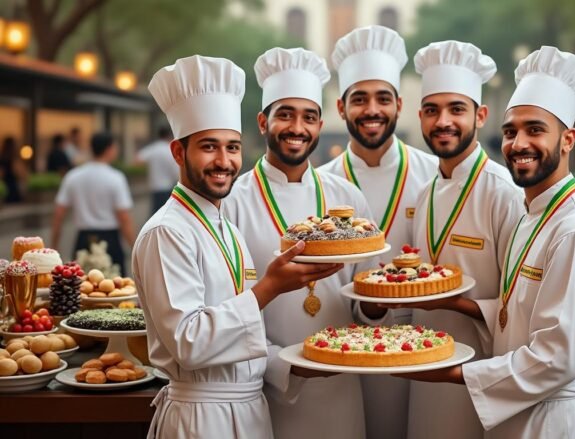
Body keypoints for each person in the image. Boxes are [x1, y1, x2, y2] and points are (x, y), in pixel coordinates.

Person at [394, 45, 575, 439]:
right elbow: (515, 311)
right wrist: (447, 301)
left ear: (568, 140)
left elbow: (556, 358)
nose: (518, 144)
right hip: (516, 413)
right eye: (511, 131)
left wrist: (457, 372)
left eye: (535, 130)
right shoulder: (534, 217)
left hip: (551, 419)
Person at [135, 54, 343, 439]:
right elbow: (188, 341)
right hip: (201, 417)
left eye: (232, 148)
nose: (224, 161)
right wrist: (269, 288)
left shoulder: (222, 224)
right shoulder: (167, 232)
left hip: (248, 408)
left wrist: (294, 366)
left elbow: (242, 335)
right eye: (208, 147)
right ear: (179, 153)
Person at [221, 47, 372, 439]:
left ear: (321, 125)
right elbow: (226, 308)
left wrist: (376, 307)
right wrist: (284, 366)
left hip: (342, 381)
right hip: (267, 387)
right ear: (262, 121)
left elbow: (364, 292)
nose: (297, 128)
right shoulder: (232, 203)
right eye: (285, 114)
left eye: (308, 117)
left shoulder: (347, 199)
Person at [392, 40, 525, 439]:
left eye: (457, 109)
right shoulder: (425, 192)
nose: (443, 121)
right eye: (432, 111)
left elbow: (517, 305)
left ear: (481, 115)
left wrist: (457, 304)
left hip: (479, 373)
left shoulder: (504, 192)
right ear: (420, 118)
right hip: (424, 371)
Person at [317, 25, 438, 439]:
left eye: (383, 98)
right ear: (341, 106)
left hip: (423, 349)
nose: (372, 110)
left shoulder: (435, 176)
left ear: (399, 105)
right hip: (344, 350)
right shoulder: (321, 185)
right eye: (360, 99)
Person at [51, 132, 135, 273]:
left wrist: (54, 247)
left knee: (80, 288)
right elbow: (124, 218)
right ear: (109, 149)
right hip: (110, 240)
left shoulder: (73, 176)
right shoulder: (116, 178)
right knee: (113, 288)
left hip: (83, 240)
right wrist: (134, 246)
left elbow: (59, 214)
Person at [135, 126, 178, 214]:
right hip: (168, 186)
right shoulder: (170, 149)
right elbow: (176, 171)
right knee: (167, 213)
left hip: (154, 187)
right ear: (170, 135)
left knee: (155, 213)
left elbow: (137, 159)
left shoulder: (153, 148)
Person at [0, 136, 25, 203]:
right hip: (12, 187)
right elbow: (20, 174)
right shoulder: (13, 159)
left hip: (6, 186)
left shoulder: (3, 158)